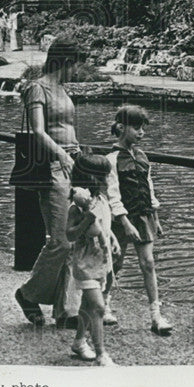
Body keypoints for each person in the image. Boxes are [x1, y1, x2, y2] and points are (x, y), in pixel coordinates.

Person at [13, 39, 86, 329]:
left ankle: (66, 310)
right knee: (60, 239)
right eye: (75, 63)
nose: (77, 70)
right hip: (53, 166)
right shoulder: (37, 87)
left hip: (72, 162)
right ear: (64, 61)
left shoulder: (62, 89)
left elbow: (68, 128)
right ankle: (28, 294)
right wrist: (60, 154)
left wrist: (79, 155)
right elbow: (39, 131)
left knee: (75, 237)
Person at [105, 105, 172, 336]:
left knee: (148, 263)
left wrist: (156, 216)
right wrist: (124, 222)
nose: (141, 132)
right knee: (116, 262)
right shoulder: (111, 159)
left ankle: (156, 316)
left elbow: (149, 188)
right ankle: (103, 304)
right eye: (136, 128)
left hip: (143, 216)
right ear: (122, 128)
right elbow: (113, 194)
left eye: (143, 128)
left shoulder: (143, 157)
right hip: (122, 218)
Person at [66, 153, 120, 366]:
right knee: (98, 306)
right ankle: (101, 354)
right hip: (85, 262)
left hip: (101, 261)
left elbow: (104, 226)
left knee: (88, 307)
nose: (107, 181)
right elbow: (69, 235)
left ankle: (79, 341)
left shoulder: (102, 200)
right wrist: (87, 216)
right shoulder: (77, 207)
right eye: (103, 177)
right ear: (89, 179)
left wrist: (112, 238)